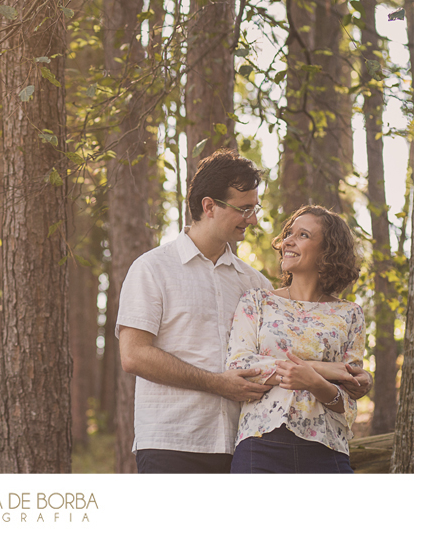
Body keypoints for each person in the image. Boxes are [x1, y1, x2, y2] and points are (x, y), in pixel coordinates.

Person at [116, 149, 371, 474]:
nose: (253, 219)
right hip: (172, 440)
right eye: (244, 209)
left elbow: (286, 351)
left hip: (239, 444)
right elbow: (134, 355)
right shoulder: (152, 268)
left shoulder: (254, 283)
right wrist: (217, 383)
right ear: (209, 206)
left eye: (255, 208)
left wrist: (350, 377)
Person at [226, 205, 366, 473]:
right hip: (260, 443)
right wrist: (321, 368)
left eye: (303, 235)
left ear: (328, 251)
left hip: (328, 449)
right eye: (289, 233)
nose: (288, 240)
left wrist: (314, 383)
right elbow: (239, 366)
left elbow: (347, 400)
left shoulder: (350, 314)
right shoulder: (257, 300)